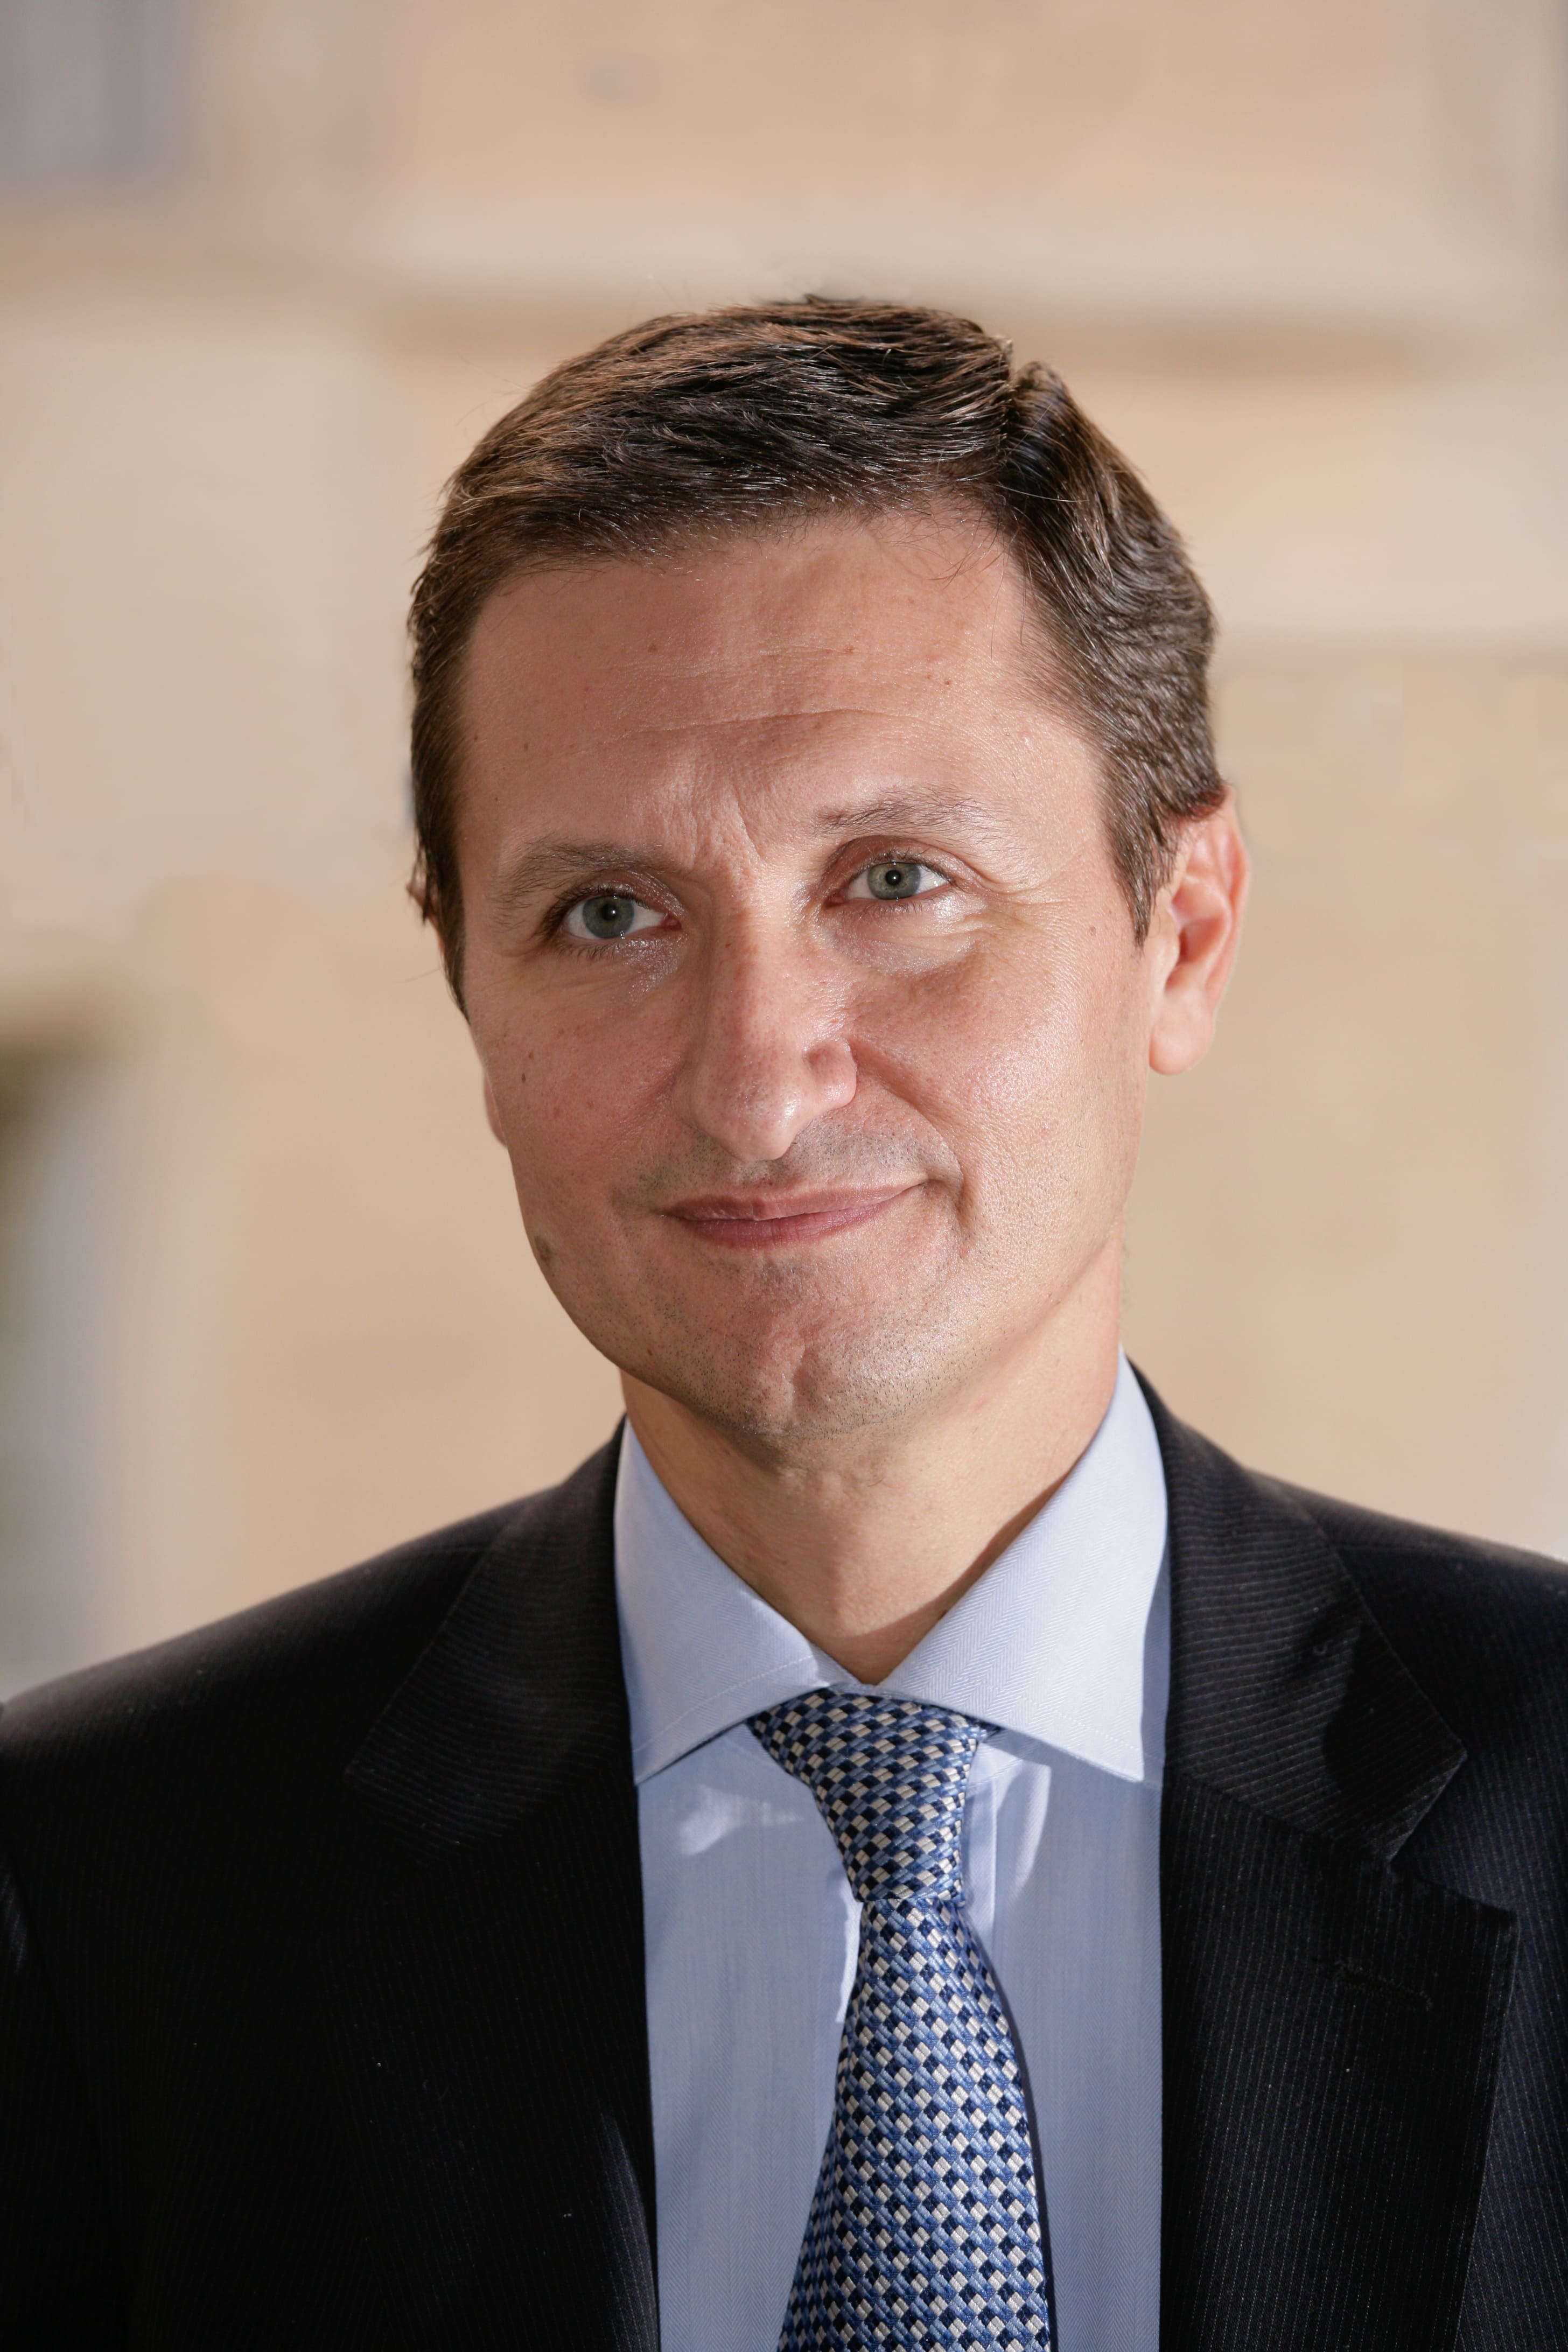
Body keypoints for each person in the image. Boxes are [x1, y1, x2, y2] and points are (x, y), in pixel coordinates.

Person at [1, 299, 1564, 2352]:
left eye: (896, 880)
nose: (755, 1083)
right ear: (466, 986)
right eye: (608, 916)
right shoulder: (86, 1896)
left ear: (1179, 936)